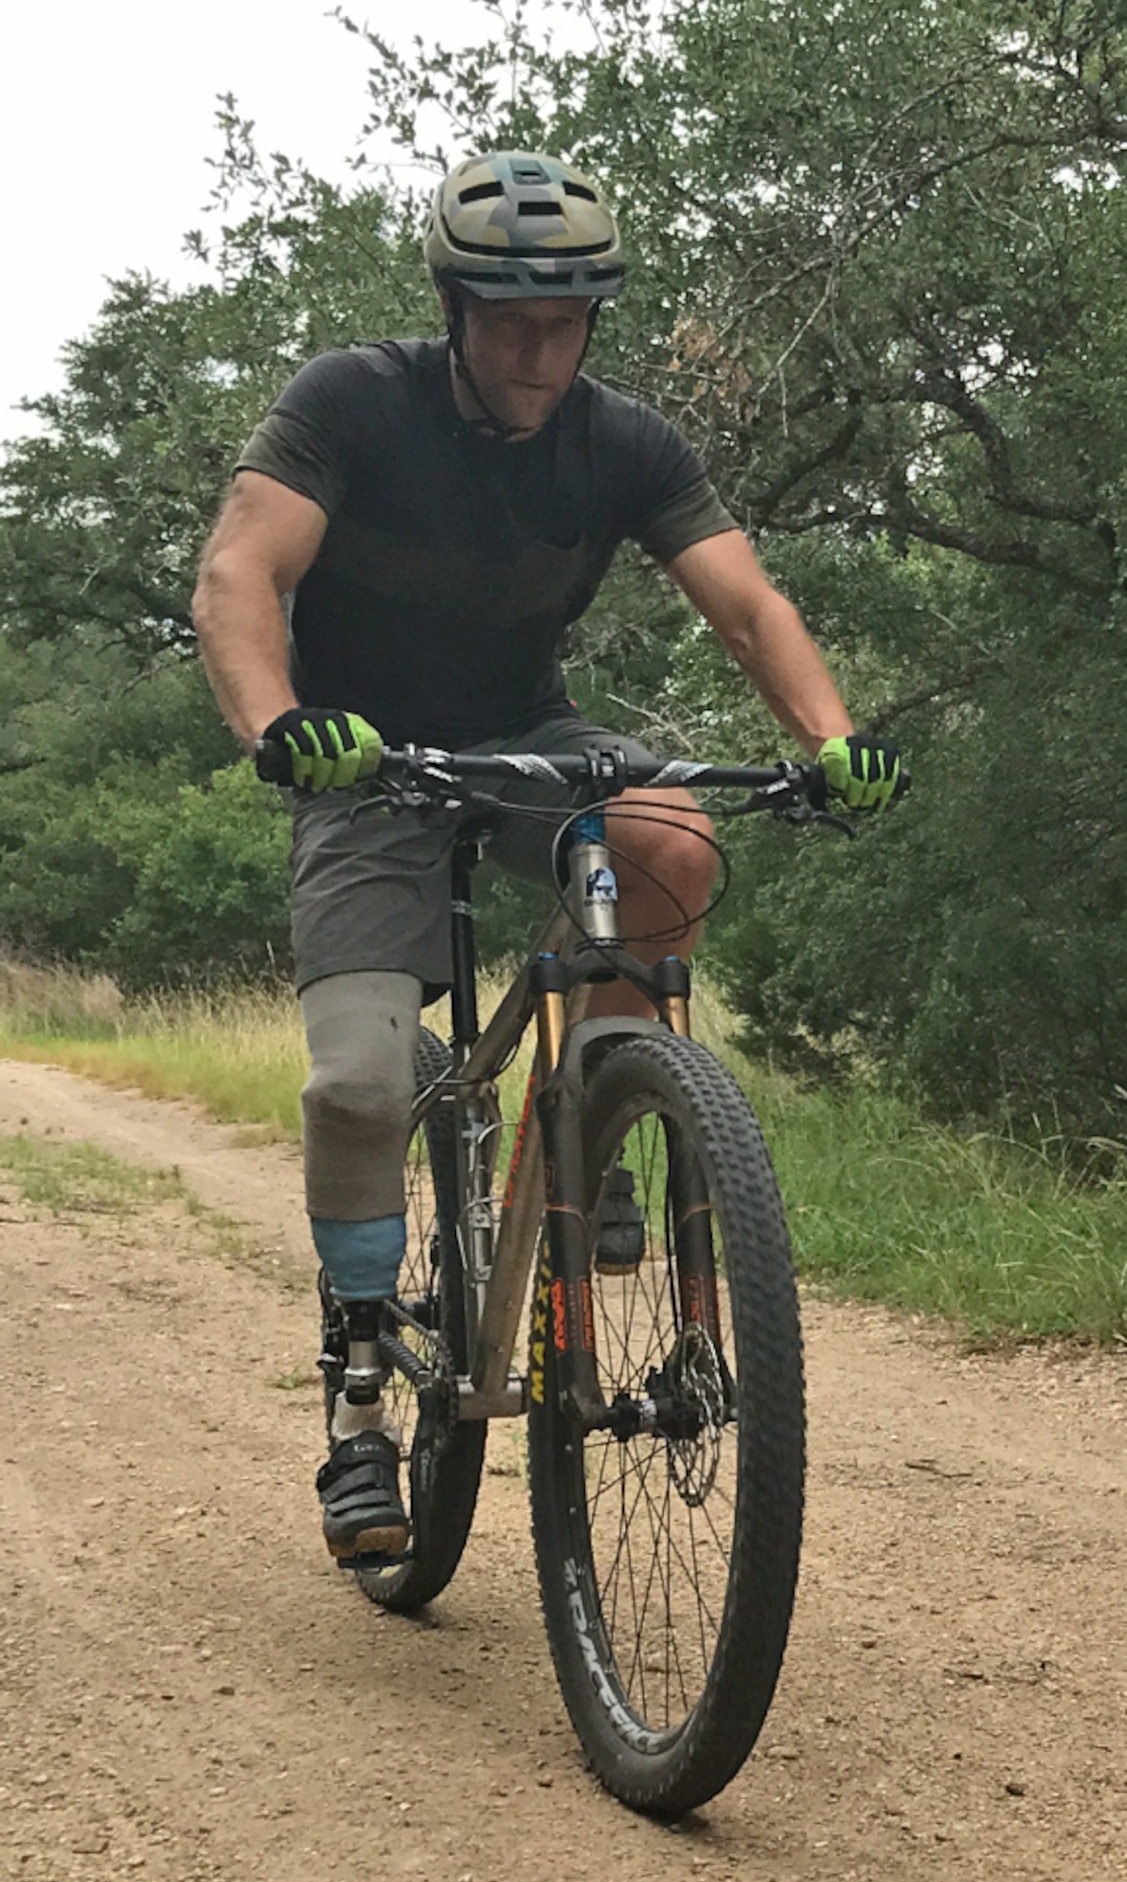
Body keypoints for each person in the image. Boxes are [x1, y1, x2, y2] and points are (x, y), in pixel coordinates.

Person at [191, 149, 900, 1563]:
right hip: (365, 763)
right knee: (357, 1082)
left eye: (566, 319)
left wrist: (830, 738)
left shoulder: (622, 441)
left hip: (527, 739)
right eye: (510, 317)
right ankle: (355, 1395)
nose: (537, 347)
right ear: (453, 310)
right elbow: (240, 575)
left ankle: (599, 1124)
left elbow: (747, 604)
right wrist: (279, 724)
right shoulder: (351, 402)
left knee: (672, 841)